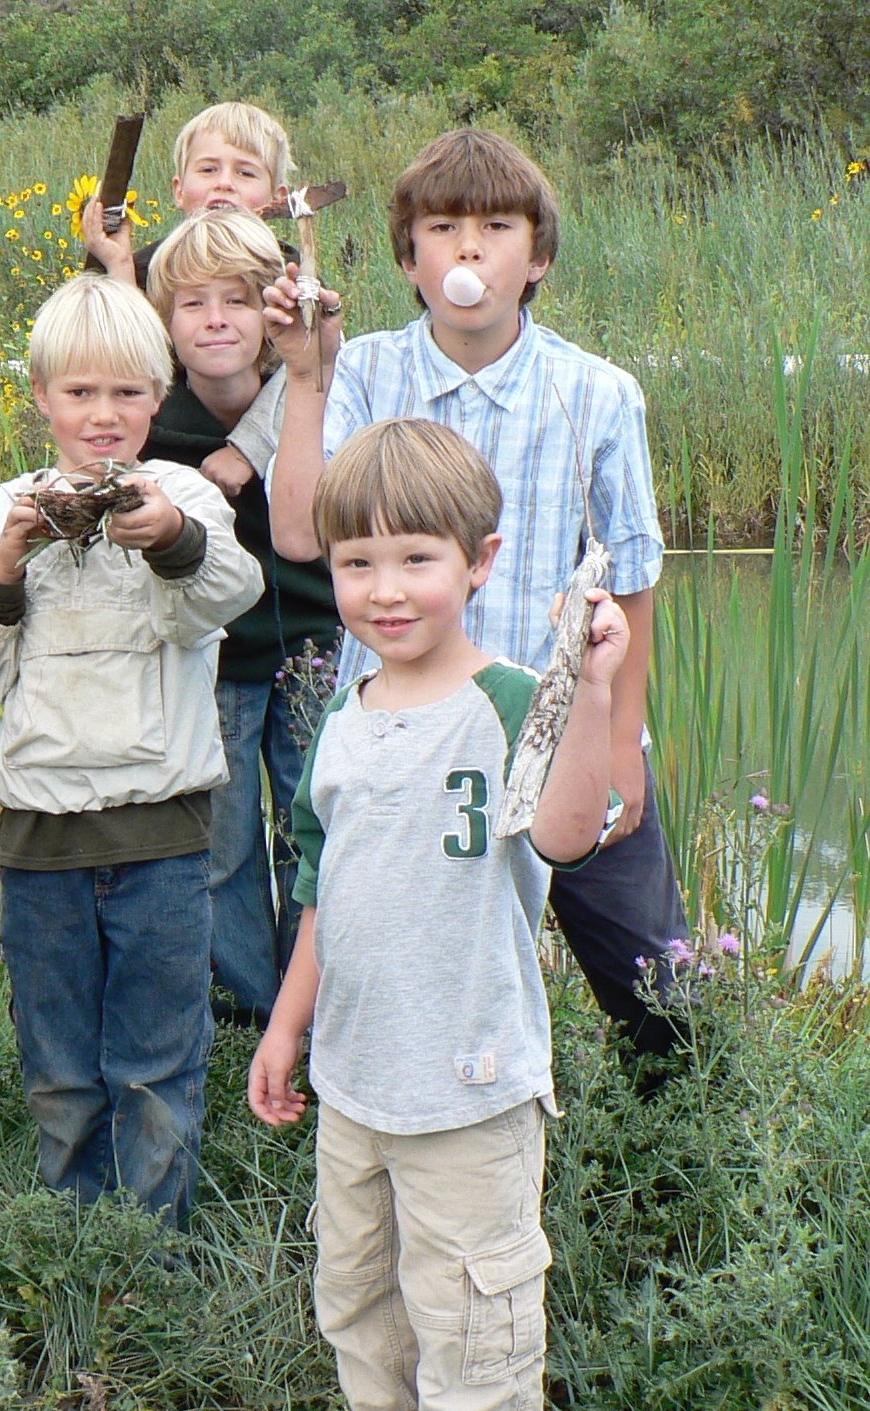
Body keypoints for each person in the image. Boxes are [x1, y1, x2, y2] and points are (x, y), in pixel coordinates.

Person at [249, 418, 626, 1411]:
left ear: (480, 559)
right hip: (356, 1080)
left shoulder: (514, 698)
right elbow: (323, 889)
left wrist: (596, 680)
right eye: (355, 563)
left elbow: (567, 832)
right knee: (357, 1287)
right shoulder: (341, 719)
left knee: (474, 1303)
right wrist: (284, 1025)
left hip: (469, 1082)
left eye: (414, 558)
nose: (383, 588)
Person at [265, 127, 690, 1072]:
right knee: (389, 978)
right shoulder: (364, 371)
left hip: (563, 727)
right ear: (407, 258)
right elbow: (298, 533)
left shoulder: (597, 392)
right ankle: (382, 1141)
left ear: (534, 256)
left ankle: (677, 1185)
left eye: (495, 226)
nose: (466, 249)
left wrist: (622, 736)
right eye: (441, 227)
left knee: (660, 991)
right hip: (403, 740)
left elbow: (632, 571)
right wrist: (303, 373)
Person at [0, 274, 259, 1227]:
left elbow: (224, 595)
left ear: (158, 399)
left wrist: (169, 538)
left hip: (163, 838)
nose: (103, 416)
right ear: (42, 399)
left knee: (157, 1064)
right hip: (40, 844)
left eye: (125, 394)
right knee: (62, 1067)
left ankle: (152, 1257)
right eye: (79, 393)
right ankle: (75, 1247)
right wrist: (5, 567)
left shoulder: (186, 493)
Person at [143, 207, 339, 1029]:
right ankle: (252, 1010)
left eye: (236, 300)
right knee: (221, 849)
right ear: (163, 322)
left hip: (308, 653)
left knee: (313, 834)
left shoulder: (311, 400)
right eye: (193, 304)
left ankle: (315, 1005)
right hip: (210, 666)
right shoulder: (150, 424)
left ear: (272, 314)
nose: (216, 319)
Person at [83, 100, 296, 501]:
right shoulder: (148, 268)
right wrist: (119, 267)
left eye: (245, 172)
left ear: (276, 196)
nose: (224, 183)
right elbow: (125, 362)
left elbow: (312, 373)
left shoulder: (289, 273)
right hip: (172, 444)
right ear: (179, 191)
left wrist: (250, 446)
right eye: (208, 169)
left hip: (269, 456)